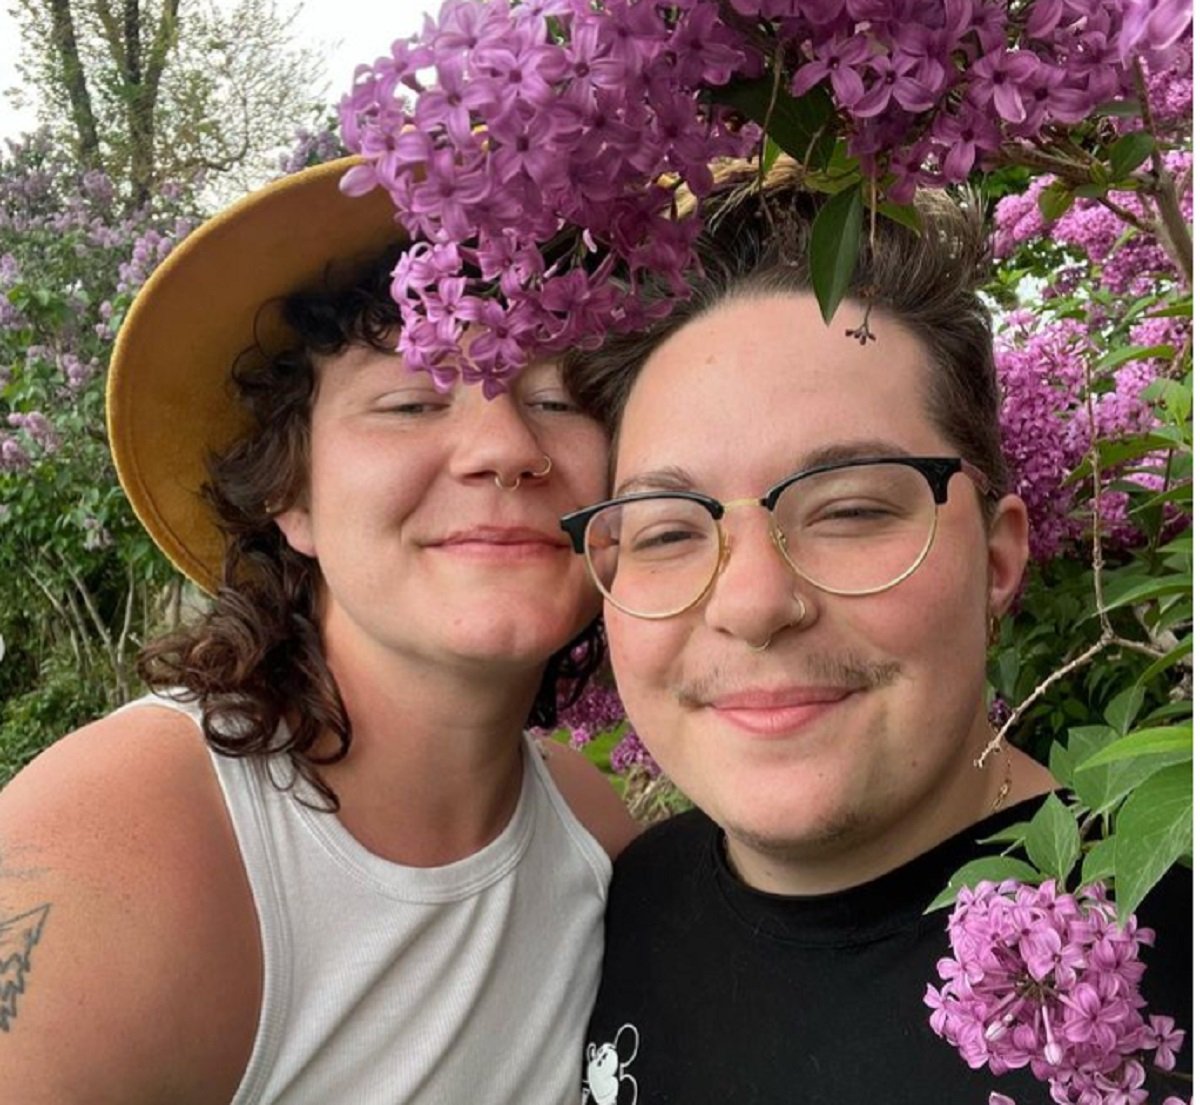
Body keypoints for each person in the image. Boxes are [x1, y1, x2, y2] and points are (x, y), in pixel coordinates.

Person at [0, 157, 637, 1105]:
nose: (508, 447)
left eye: (559, 399)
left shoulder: (599, 839)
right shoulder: (117, 847)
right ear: (288, 493)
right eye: (412, 401)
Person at [562, 163, 1192, 1104]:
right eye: (666, 529)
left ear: (997, 558)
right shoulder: (618, 910)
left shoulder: (1165, 953)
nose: (753, 601)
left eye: (851, 510)